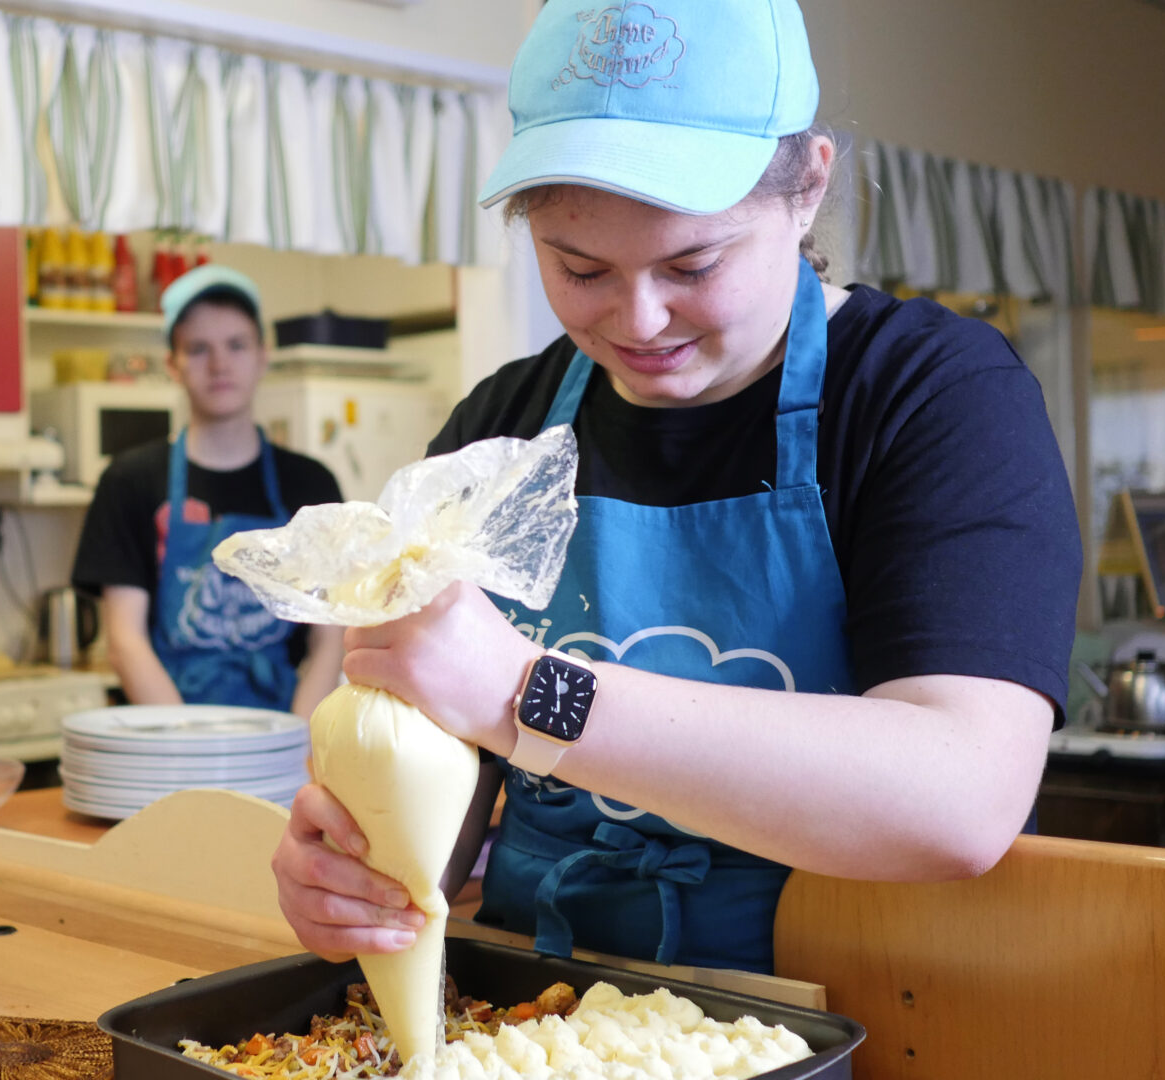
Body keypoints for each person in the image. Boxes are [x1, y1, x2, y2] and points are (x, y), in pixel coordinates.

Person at [272, 0, 1081, 974]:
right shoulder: (503, 429)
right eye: (580, 269)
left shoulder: (931, 395)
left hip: (863, 1017)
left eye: (693, 264)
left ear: (807, 188)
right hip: (536, 1013)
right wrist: (358, 874)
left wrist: (530, 693)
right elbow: (431, 791)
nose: (640, 320)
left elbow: (963, 794)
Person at [72, 265, 345, 716]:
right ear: (172, 365)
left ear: (263, 356)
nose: (219, 365)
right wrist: (190, 742)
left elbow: (328, 638)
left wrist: (298, 741)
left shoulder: (311, 483)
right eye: (198, 349)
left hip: (284, 726)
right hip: (170, 729)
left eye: (236, 345)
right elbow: (124, 641)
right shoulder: (129, 482)